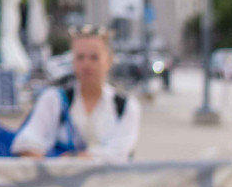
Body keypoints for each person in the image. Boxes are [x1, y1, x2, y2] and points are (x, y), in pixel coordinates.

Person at [11, 27, 140, 161]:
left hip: (102, 177)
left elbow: (119, 153)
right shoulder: (54, 99)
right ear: (72, 61)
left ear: (109, 61)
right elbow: (26, 141)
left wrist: (67, 159)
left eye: (94, 57)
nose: (86, 64)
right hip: (57, 175)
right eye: (80, 57)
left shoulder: (126, 106)